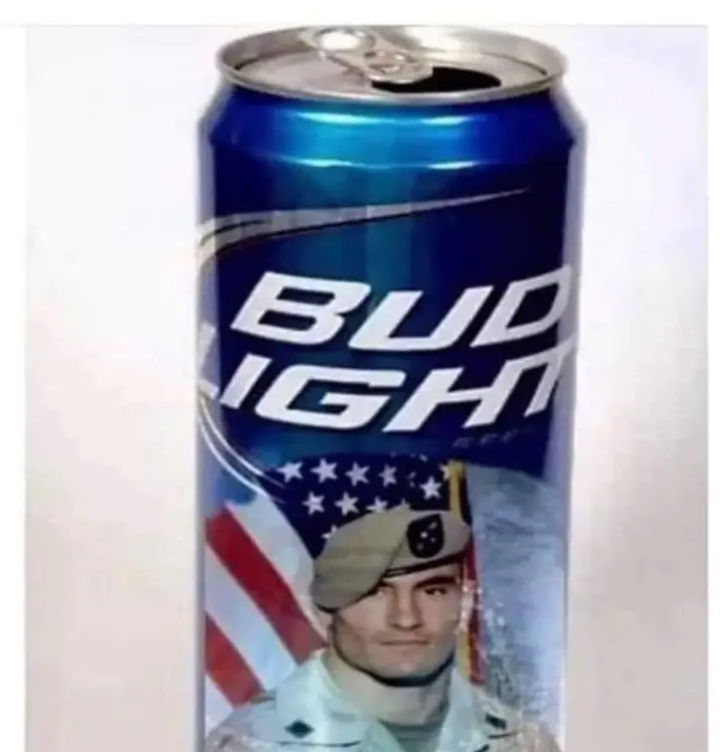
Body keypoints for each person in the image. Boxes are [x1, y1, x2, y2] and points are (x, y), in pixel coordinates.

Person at [205, 506, 560, 752]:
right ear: (325, 611)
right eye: (376, 593)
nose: (405, 618)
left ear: (465, 604)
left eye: (433, 591)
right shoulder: (256, 743)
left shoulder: (520, 742)